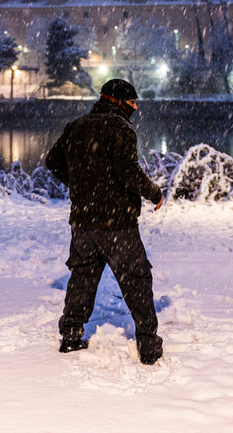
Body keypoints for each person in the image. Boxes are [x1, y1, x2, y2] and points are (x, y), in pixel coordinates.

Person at [45, 78, 164, 365]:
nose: (135, 108)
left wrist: (80, 184)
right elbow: (128, 172)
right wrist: (154, 192)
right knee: (137, 279)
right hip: (117, 224)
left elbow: (53, 162)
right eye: (133, 103)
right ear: (118, 101)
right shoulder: (120, 128)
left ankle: (71, 336)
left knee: (83, 277)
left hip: (83, 222)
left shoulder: (77, 125)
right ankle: (148, 347)